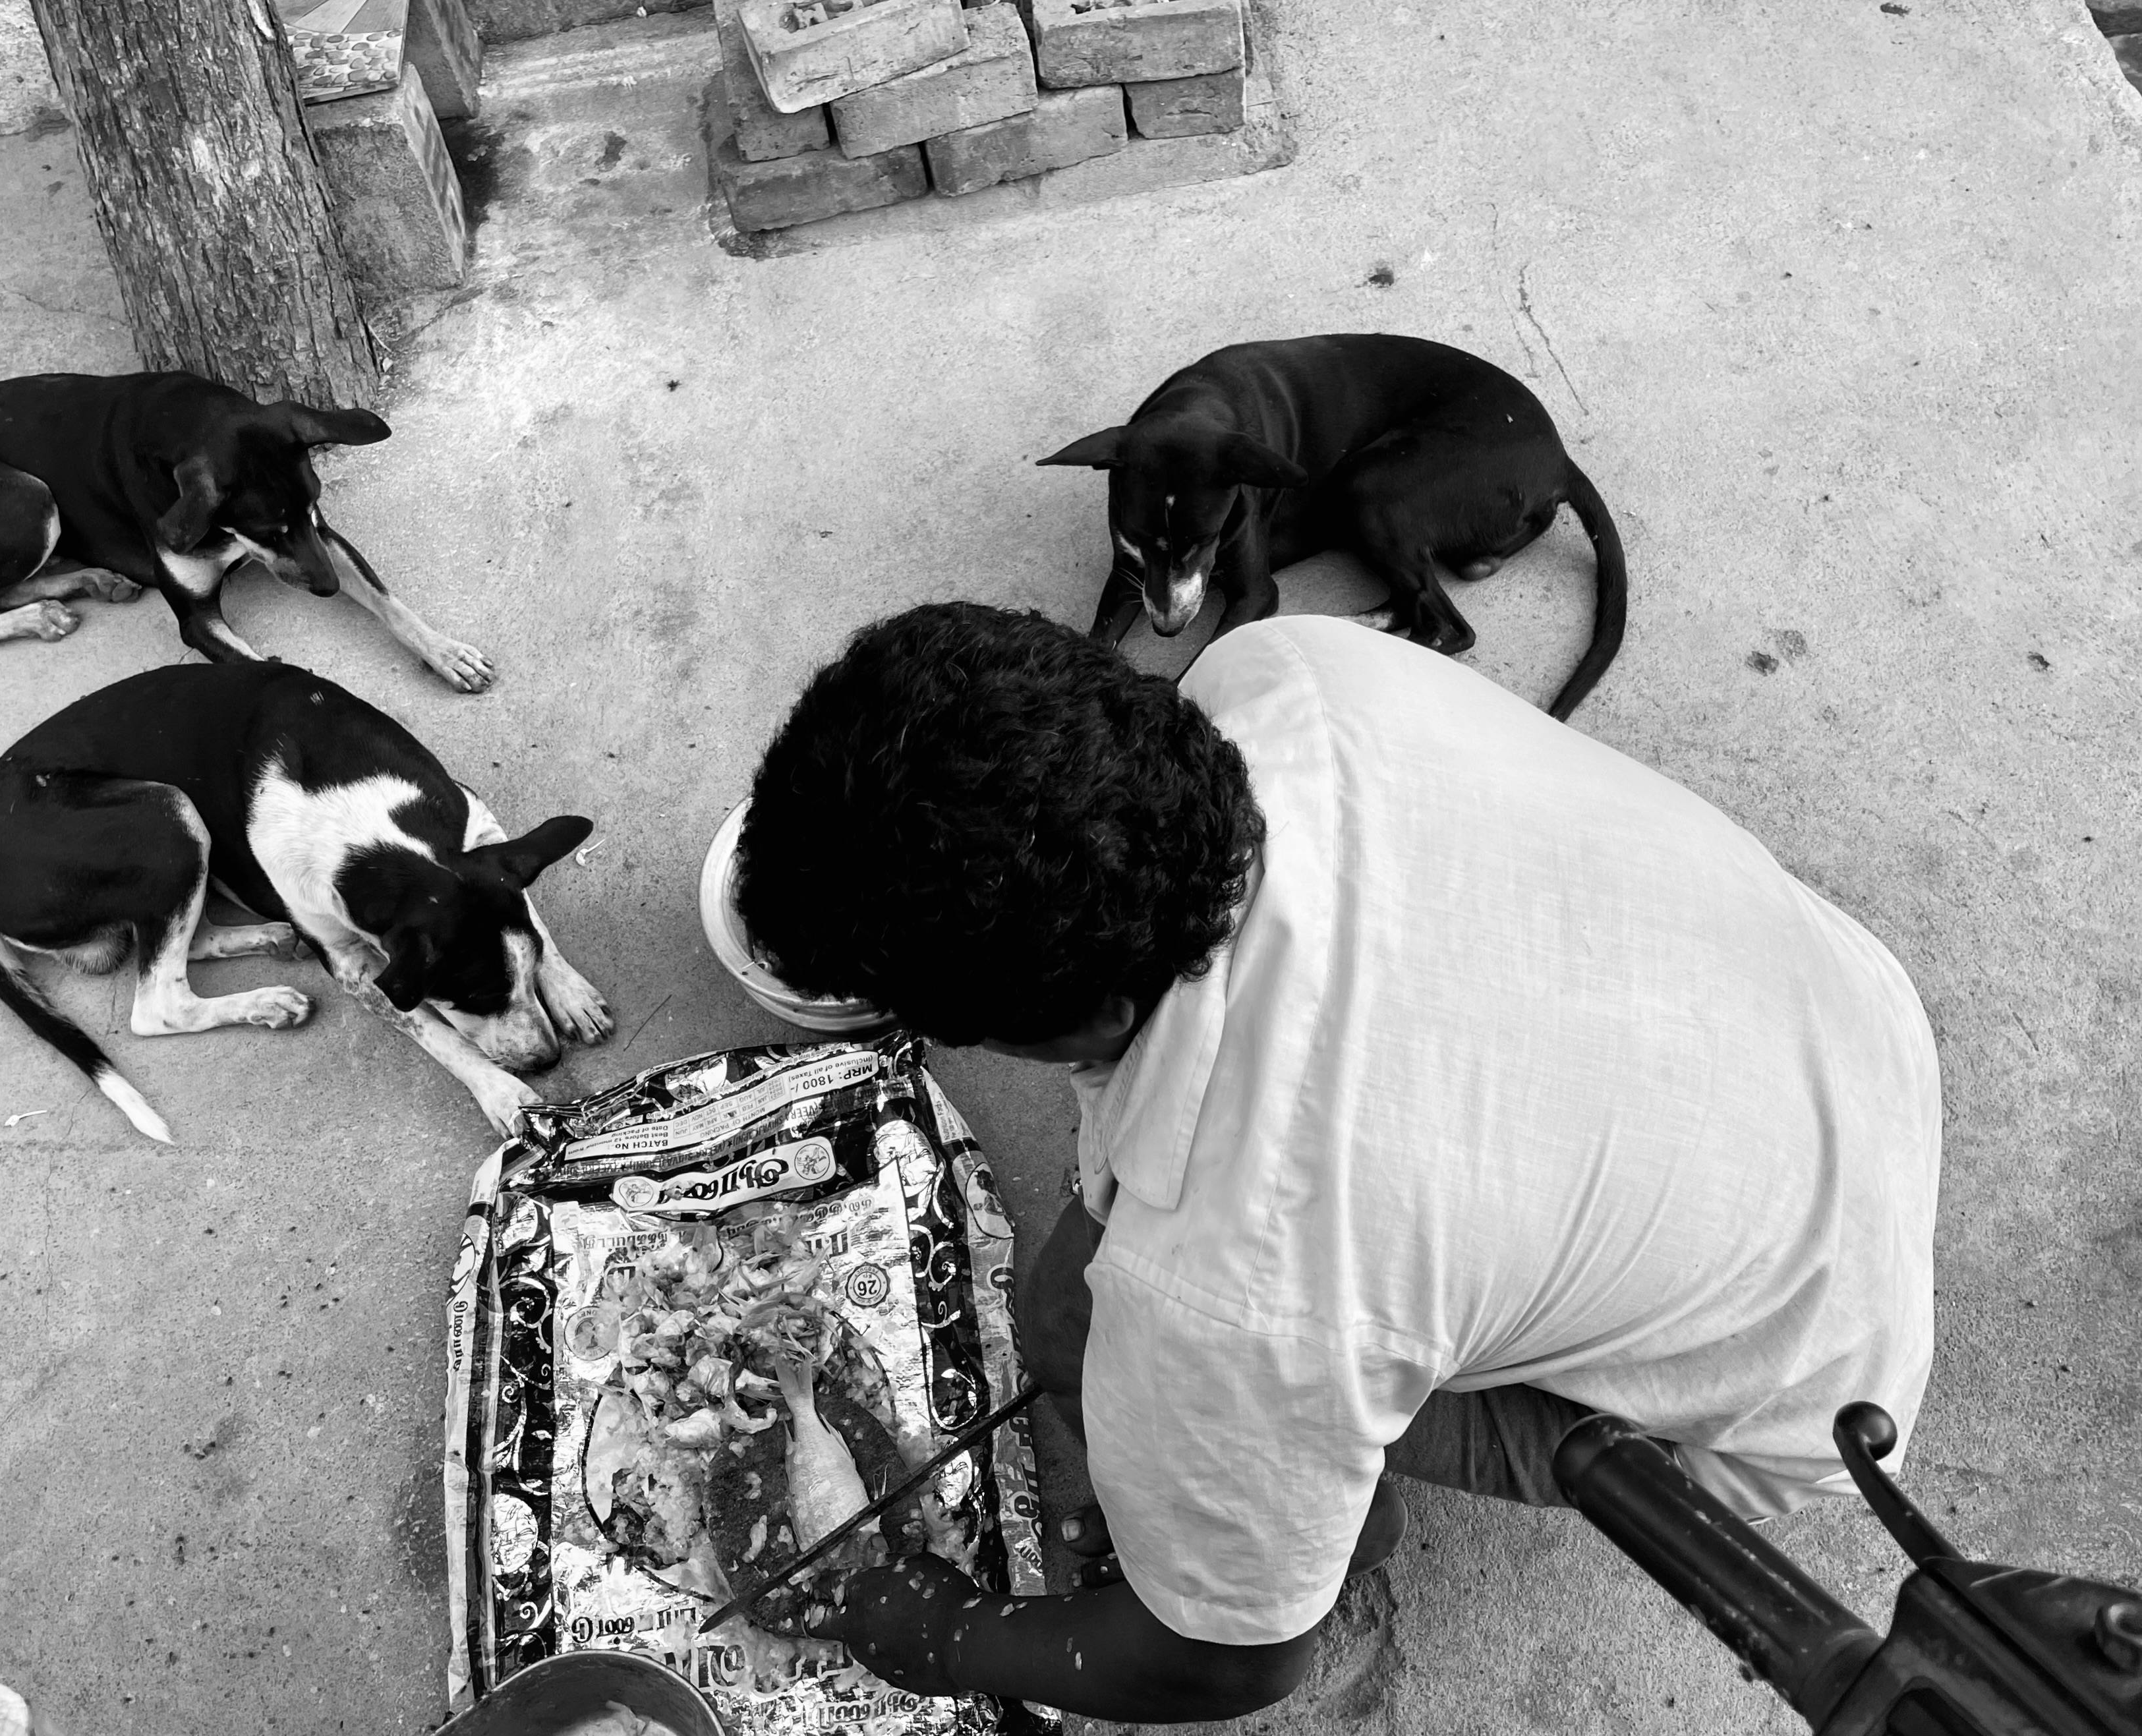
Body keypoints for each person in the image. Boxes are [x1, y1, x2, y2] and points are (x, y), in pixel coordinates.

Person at [733, 603, 1940, 1720]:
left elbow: (1229, 1664)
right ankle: (1262, 1494)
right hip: (1846, 1030)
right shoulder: (1283, 671)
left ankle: (1317, 1538)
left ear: (1073, 1016)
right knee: (1082, 1328)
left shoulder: (1238, 1282)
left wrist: (937, 1626)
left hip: (1799, 1371)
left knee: (1163, 1382)